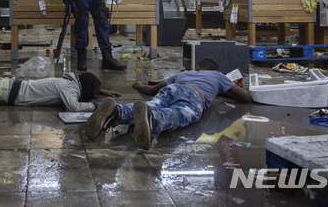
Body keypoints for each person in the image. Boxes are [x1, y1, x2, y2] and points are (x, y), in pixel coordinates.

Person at [86, 58, 252, 149]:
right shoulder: (218, 75)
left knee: (152, 103)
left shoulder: (184, 73)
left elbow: (152, 90)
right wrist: (220, 90)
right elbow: (245, 97)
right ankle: (153, 121)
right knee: (178, 113)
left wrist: (138, 85)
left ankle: (116, 112)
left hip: (173, 88)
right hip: (195, 96)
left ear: (199, 67)